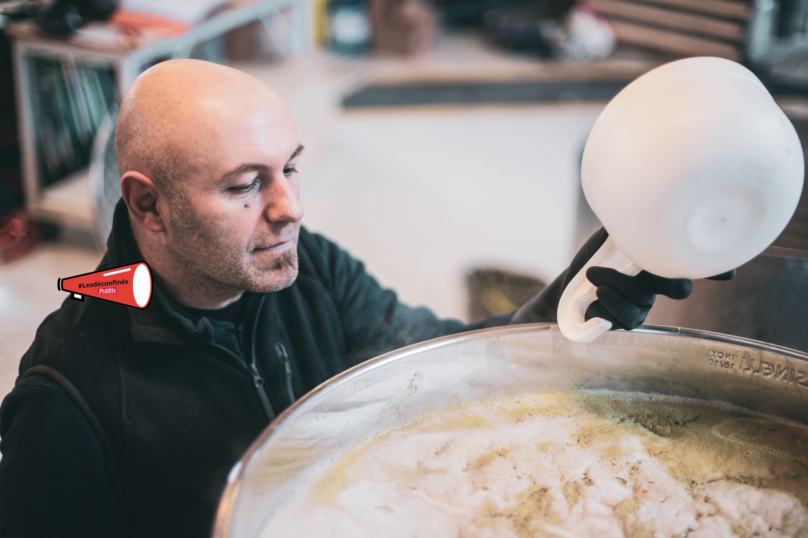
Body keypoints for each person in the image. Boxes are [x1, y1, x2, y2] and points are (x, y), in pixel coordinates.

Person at [0, 60, 732, 538]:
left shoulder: (304, 268)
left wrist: (570, 308)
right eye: (244, 184)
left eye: (289, 168)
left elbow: (445, 369)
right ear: (148, 207)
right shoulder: (69, 401)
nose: (290, 208)